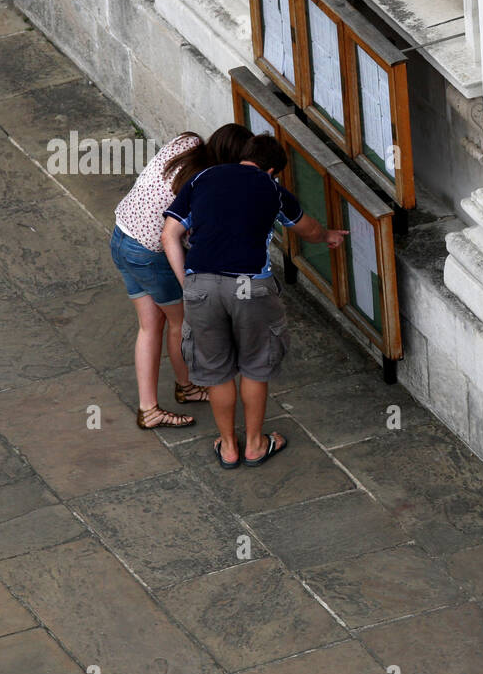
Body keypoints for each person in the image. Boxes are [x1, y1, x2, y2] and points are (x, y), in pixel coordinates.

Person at [161, 133, 347, 468]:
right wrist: (329, 236)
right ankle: (256, 445)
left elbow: (168, 235)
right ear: (273, 170)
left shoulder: (204, 177)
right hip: (249, 287)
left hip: (201, 286)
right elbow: (308, 230)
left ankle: (229, 447)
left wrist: (189, 284)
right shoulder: (271, 188)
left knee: (217, 373)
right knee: (255, 367)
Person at [109, 123, 253, 429]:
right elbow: (171, 238)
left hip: (121, 236)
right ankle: (186, 387)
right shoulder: (205, 186)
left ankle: (149, 409)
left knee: (150, 326)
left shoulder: (187, 141)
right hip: (148, 252)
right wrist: (189, 285)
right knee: (181, 322)